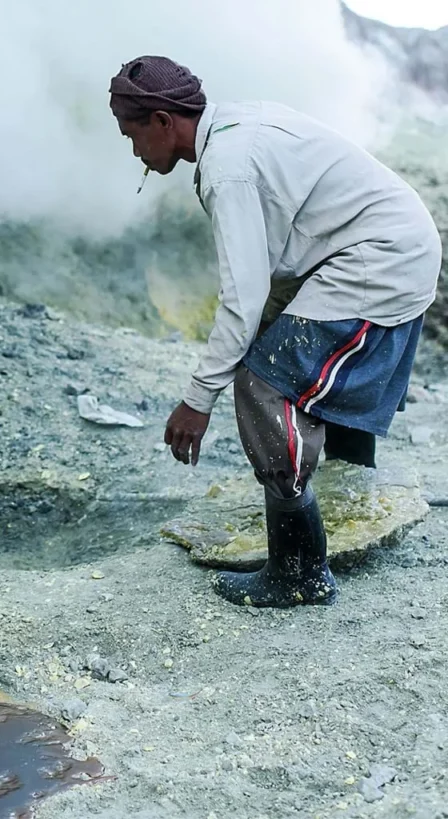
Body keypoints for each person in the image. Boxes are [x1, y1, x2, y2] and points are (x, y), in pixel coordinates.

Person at [108, 55, 442, 608]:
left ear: (164, 121)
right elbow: (265, 282)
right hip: (389, 245)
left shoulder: (227, 168)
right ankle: (350, 500)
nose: (135, 150)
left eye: (133, 133)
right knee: (279, 356)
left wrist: (197, 401)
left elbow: (241, 299)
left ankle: (299, 573)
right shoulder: (238, 126)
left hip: (379, 261)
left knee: (263, 385)